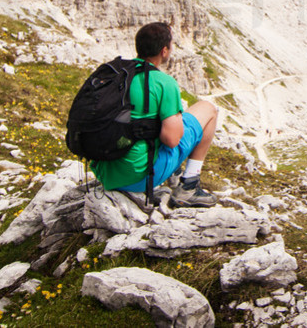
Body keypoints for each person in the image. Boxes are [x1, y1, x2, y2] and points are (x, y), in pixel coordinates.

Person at [90, 22, 219, 208]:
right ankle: (189, 186)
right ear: (164, 51)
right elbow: (172, 140)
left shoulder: (116, 74)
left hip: (105, 173)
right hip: (137, 177)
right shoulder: (163, 83)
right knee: (208, 109)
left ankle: (173, 172)